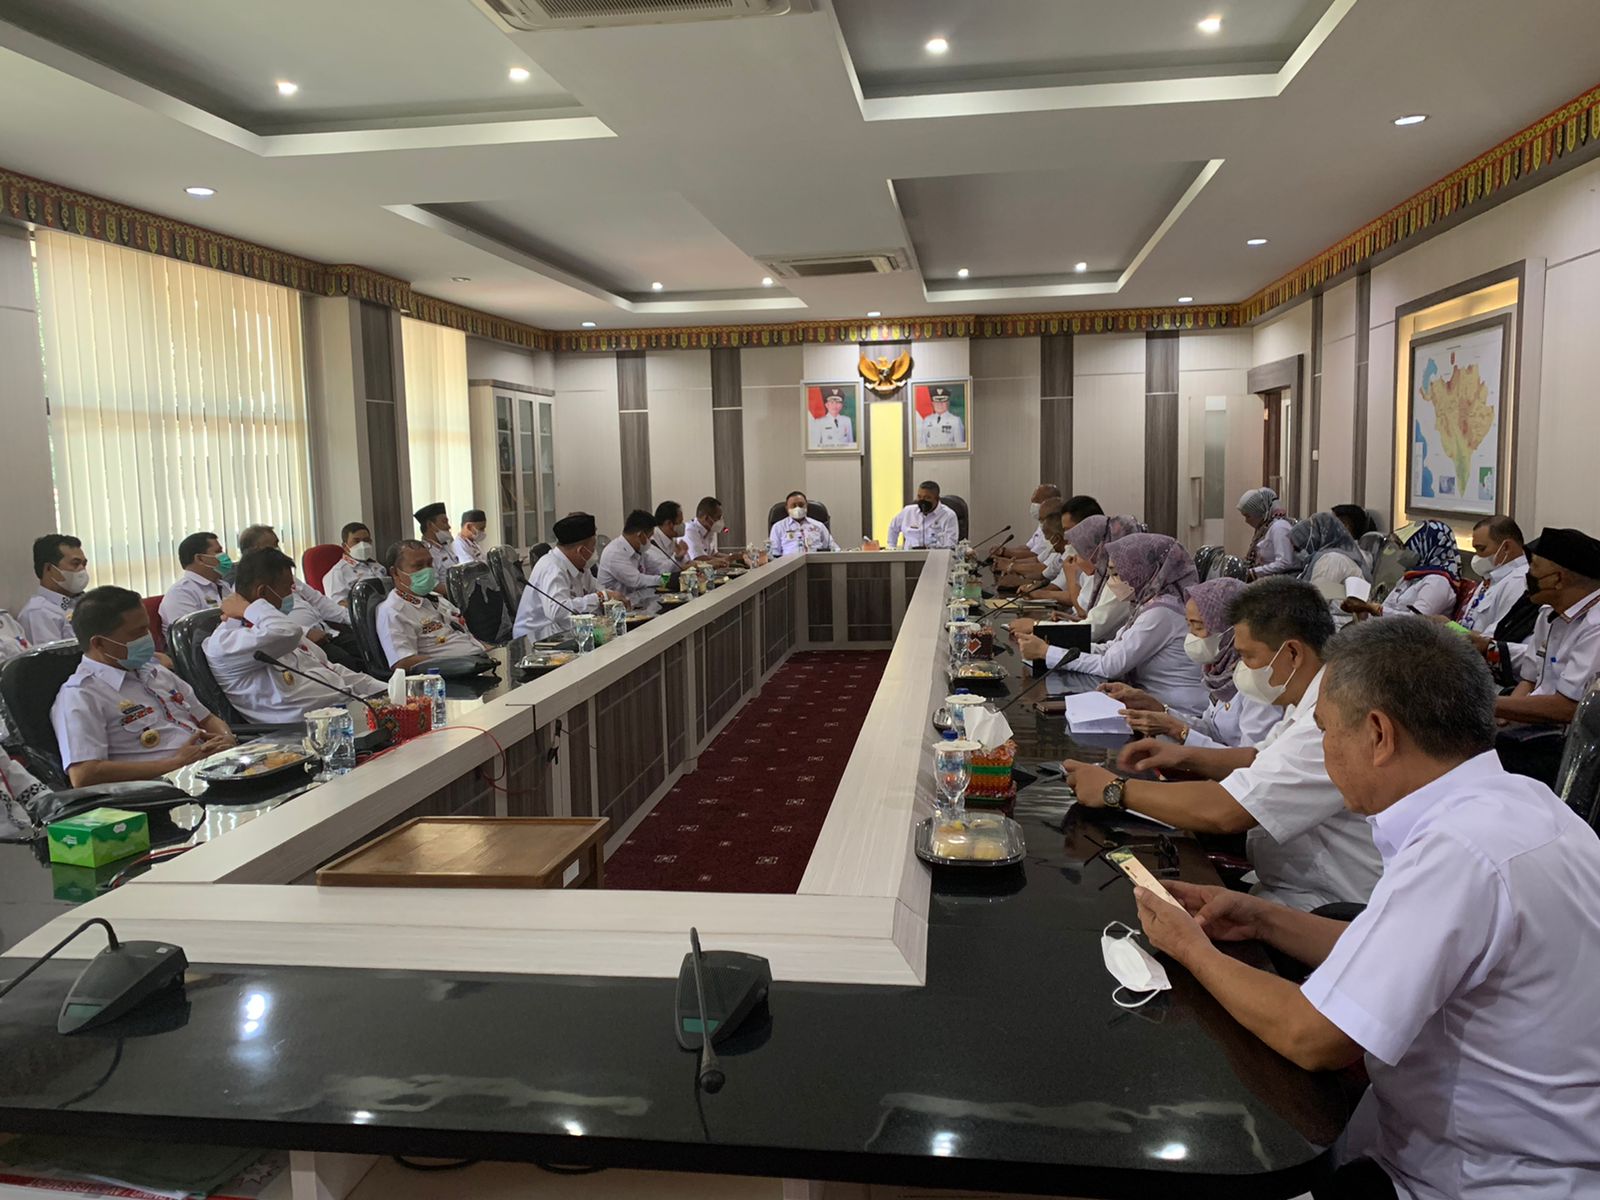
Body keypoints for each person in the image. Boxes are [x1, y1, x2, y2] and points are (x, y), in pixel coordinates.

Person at [1130, 617, 1600, 1199]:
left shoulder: (1460, 853)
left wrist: (1189, 947)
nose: (1324, 750)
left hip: (1482, 1180)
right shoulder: (1522, 804)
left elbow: (1313, 1036)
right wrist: (1261, 918)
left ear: (1378, 733)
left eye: (1325, 731)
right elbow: (1408, 952)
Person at [1062, 578, 1382, 911]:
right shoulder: (1305, 700)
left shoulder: (1329, 722)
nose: (1241, 667)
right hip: (1288, 882)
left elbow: (1227, 811)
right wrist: (1184, 755)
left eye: (1248, 656)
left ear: (1292, 653)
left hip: (1325, 903)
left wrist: (1115, 790)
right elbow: (1257, 757)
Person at [51, 586, 234, 786]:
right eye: (137, 633)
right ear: (99, 644)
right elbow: (84, 775)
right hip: (162, 789)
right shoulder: (81, 695)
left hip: (211, 769)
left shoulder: (155, 672)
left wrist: (227, 740)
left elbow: (207, 718)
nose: (147, 637)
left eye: (146, 628)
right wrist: (175, 764)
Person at [1016, 533, 1209, 713]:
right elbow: (1111, 648)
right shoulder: (1146, 604)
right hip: (1150, 702)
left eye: (1115, 573)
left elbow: (1110, 666)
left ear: (1141, 572)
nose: (1110, 581)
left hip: (1177, 710)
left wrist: (1046, 652)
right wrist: (1053, 644)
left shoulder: (1161, 612)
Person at [1099, 577, 1282, 751]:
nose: (1191, 636)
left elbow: (1247, 760)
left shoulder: (1257, 679)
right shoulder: (1219, 671)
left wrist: (1178, 730)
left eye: (1198, 627)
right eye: (1189, 626)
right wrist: (1158, 709)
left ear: (1228, 628)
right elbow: (1212, 731)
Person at [205, 548, 385, 724]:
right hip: (306, 730)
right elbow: (286, 632)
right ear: (262, 593)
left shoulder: (276, 627)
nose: (292, 595)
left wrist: (386, 692)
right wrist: (248, 608)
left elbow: (333, 670)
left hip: (350, 710)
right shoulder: (226, 643)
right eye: (287, 589)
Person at [1496, 526, 1600, 731]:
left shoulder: (1595, 626)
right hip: (1533, 726)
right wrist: (1503, 720)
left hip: (1567, 736)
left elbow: (1568, 708)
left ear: (1558, 579)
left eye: (1533, 567)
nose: (1527, 575)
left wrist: (1483, 704)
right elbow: (1529, 680)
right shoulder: (1548, 613)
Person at [237, 524, 364, 670]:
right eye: (273, 545)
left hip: (327, 632)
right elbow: (261, 624)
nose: (278, 549)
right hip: (300, 642)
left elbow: (319, 601)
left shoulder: (285, 575)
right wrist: (306, 632)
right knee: (346, 662)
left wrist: (355, 619)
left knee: (366, 647)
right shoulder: (247, 586)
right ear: (256, 550)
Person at [376, 540, 488, 669]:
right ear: (395, 573)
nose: (428, 570)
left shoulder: (434, 599)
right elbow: (403, 662)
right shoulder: (393, 611)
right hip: (453, 672)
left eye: (429, 564)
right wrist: (457, 662)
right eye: (418, 566)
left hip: (479, 658)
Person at [513, 514, 623, 641]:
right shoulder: (552, 568)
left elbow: (596, 589)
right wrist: (600, 597)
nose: (595, 552)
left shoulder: (580, 566)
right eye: (593, 547)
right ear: (581, 551)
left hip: (562, 635)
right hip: (535, 641)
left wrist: (611, 597)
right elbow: (557, 611)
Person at [1343, 519, 1459, 620]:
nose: (1400, 554)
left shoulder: (1438, 582)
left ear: (1425, 548)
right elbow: (1387, 608)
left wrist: (1373, 609)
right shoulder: (1411, 577)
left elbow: (1418, 621)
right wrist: (1363, 610)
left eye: (1405, 548)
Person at [1458, 514, 1531, 636]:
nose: (1477, 556)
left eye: (1482, 549)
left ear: (1506, 547)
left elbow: (1492, 640)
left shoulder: (1520, 582)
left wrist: (1449, 628)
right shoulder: (1492, 576)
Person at [1290, 512, 1367, 625]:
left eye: (1300, 547)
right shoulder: (1333, 558)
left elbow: (1316, 603)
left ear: (1314, 541)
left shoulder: (1331, 560)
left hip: (1338, 627)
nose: (1298, 552)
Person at [157, 531, 235, 630]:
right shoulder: (181, 593)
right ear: (200, 559)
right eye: (218, 551)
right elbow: (192, 633)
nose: (224, 556)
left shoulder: (223, 585)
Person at [21, 534, 88, 645]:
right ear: (49, 568)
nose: (82, 570)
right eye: (75, 564)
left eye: (84, 564)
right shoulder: (38, 612)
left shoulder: (83, 603)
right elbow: (51, 655)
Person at [598, 510, 662, 609]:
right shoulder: (614, 553)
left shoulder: (638, 550)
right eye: (649, 537)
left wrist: (671, 576)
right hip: (615, 609)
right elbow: (637, 581)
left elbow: (657, 567)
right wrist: (664, 580)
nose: (650, 541)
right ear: (640, 535)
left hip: (634, 604)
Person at [322, 522, 386, 608]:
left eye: (366, 540)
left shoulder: (379, 567)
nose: (362, 545)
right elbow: (338, 606)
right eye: (356, 541)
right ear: (345, 546)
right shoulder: (338, 572)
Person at [1239, 487, 1296, 579]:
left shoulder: (1279, 527)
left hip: (1277, 583)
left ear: (1259, 512)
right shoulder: (1264, 529)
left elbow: (1285, 563)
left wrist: (1253, 572)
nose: (1246, 521)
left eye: (1248, 516)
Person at [887, 481, 960, 549]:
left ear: (937, 499)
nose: (922, 501)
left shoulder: (948, 515)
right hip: (908, 555)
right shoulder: (908, 511)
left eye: (927, 498)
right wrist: (892, 547)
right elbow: (893, 528)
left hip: (935, 556)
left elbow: (951, 544)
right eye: (919, 497)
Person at [769, 492, 840, 557]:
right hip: (790, 564)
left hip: (817, 563)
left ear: (806, 506)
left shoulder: (819, 525)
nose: (797, 508)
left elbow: (833, 548)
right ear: (787, 508)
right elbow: (774, 554)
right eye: (793, 506)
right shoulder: (778, 527)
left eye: (801, 505)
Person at [644, 501, 690, 576]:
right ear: (669, 524)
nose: (683, 525)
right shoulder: (651, 542)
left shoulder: (672, 539)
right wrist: (677, 557)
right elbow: (662, 571)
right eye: (680, 522)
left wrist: (684, 559)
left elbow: (685, 563)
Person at [682, 497, 729, 563]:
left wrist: (734, 557)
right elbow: (700, 558)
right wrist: (726, 560)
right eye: (718, 517)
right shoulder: (690, 530)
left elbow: (714, 554)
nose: (720, 521)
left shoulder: (709, 531)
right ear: (706, 518)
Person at [414, 503, 455, 576]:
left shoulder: (447, 547)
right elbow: (433, 582)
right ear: (430, 525)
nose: (449, 526)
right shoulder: (425, 553)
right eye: (444, 522)